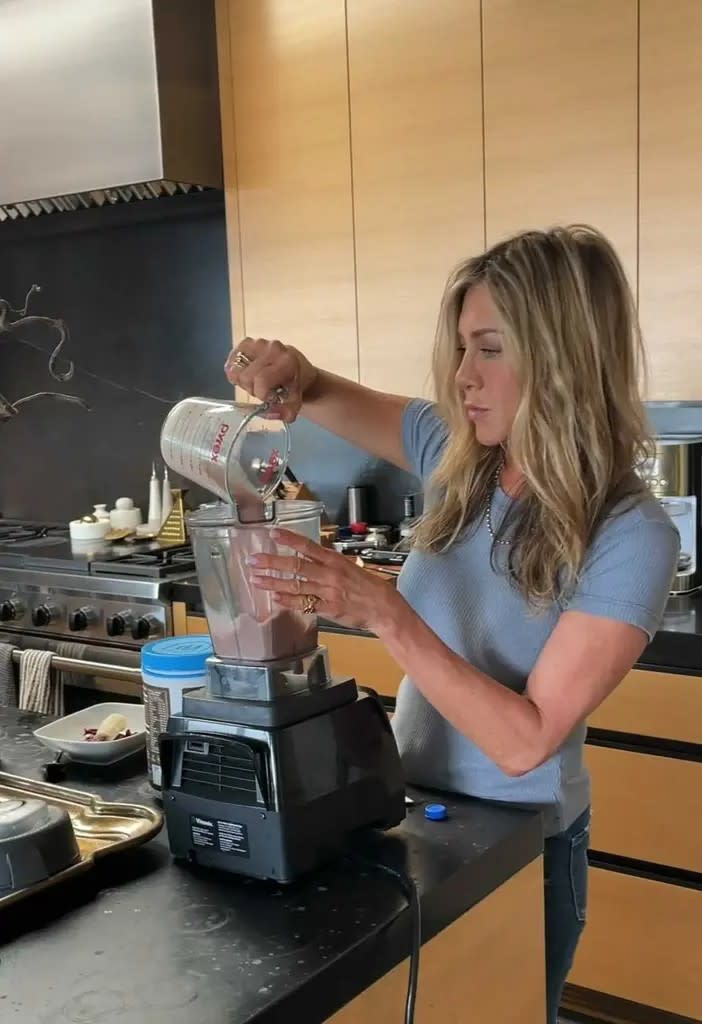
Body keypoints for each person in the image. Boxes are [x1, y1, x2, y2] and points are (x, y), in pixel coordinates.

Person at [224, 225, 679, 1024]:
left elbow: (524, 741)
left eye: (490, 349)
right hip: (412, 816)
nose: (462, 376)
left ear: (563, 358)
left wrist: (380, 609)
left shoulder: (630, 533)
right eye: (462, 347)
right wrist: (294, 375)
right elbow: (323, 392)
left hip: (522, 847)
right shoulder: (458, 451)